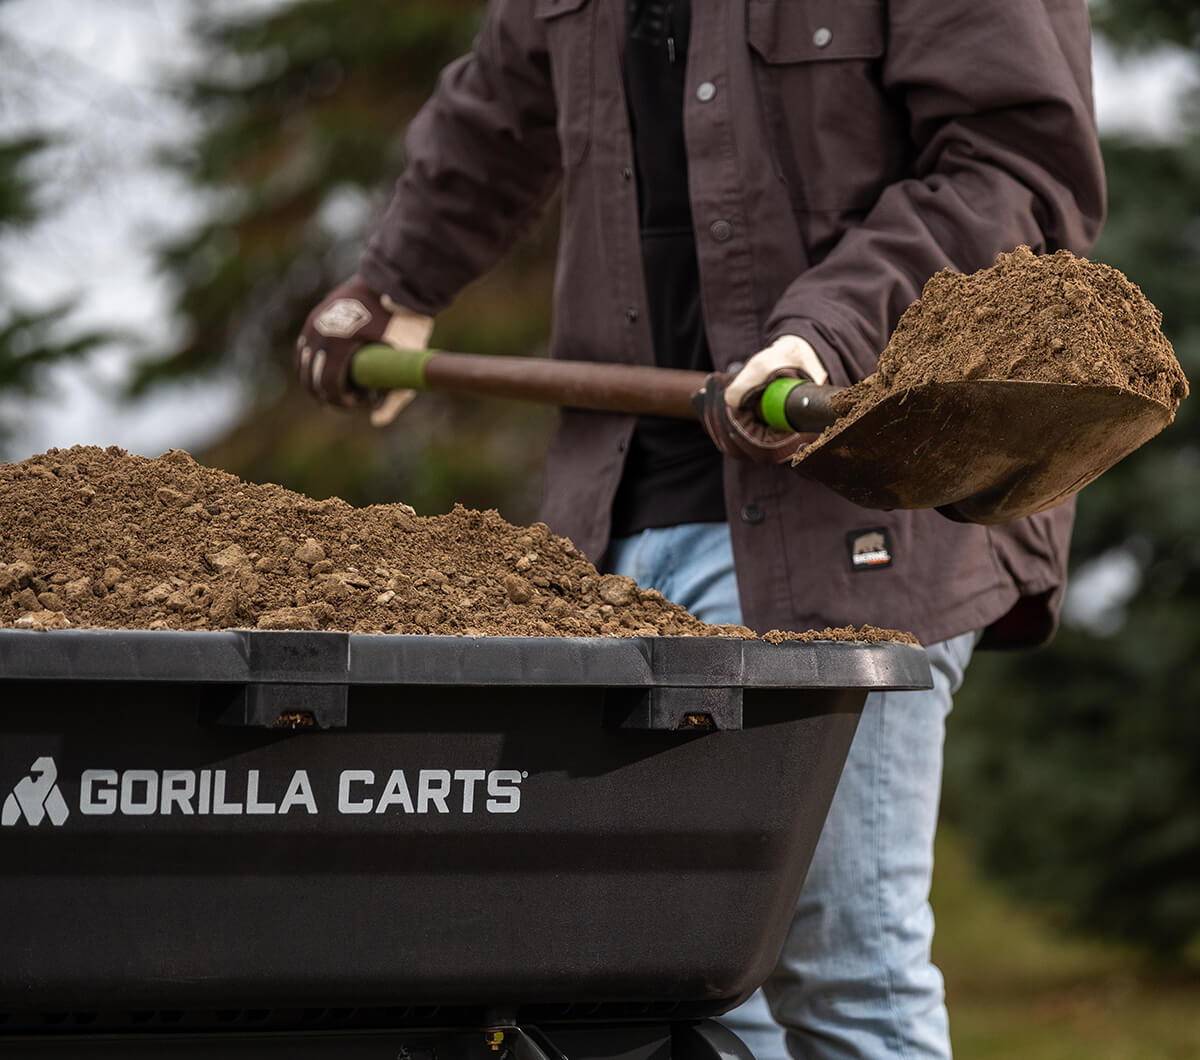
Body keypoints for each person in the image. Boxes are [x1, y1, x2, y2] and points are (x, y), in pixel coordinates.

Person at [295, 1, 1105, 1056]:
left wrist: (831, 332)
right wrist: (397, 281)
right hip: (615, 535)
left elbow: (1016, 171)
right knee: (692, 996)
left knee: (842, 972)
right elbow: (498, 103)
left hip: (843, 525)